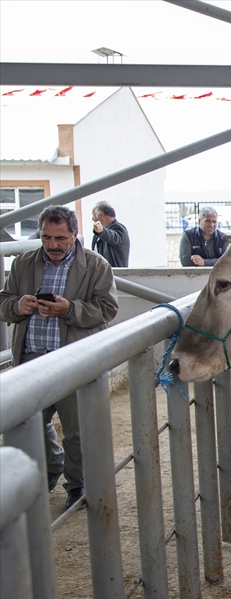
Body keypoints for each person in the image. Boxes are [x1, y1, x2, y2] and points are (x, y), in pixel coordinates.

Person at [0, 205, 119, 509]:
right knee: (27, 421)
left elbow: (107, 309)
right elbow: (4, 302)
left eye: (60, 238)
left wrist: (69, 309)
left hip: (72, 360)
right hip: (31, 359)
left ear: (75, 235)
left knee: (76, 429)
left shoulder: (96, 265)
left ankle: (77, 485)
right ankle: (52, 466)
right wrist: (17, 306)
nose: (52, 245)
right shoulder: (24, 262)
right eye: (46, 237)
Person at [90, 201, 129, 268]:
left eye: (93, 215)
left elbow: (113, 237)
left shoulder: (119, 228)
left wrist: (101, 231)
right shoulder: (97, 234)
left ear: (101, 215)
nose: (92, 219)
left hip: (115, 273)